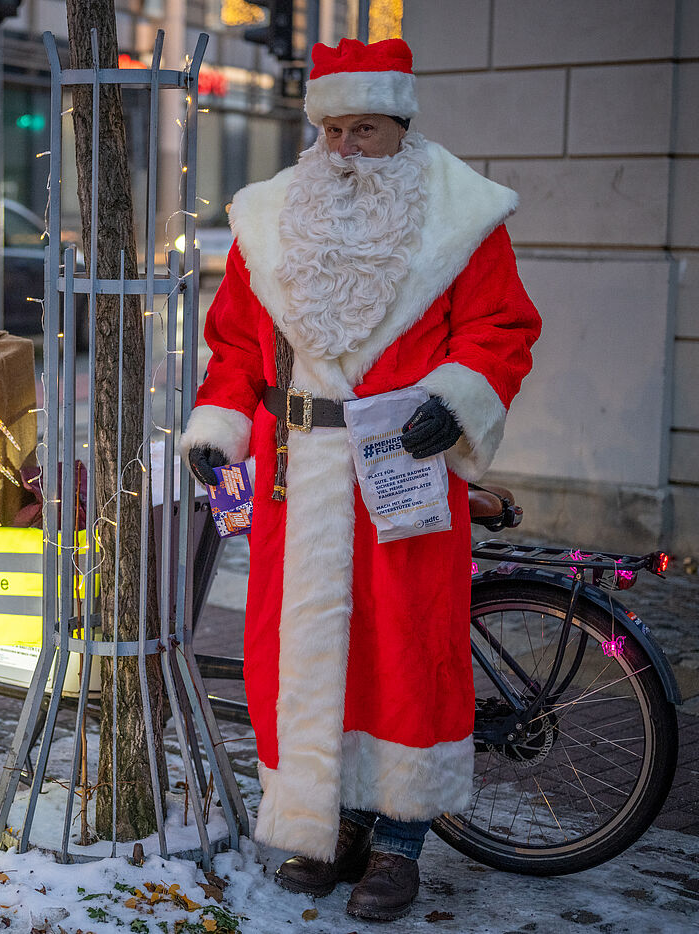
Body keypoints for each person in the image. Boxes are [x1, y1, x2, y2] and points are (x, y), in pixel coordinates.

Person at [179, 37, 541, 922]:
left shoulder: (462, 215)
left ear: (401, 128)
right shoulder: (268, 218)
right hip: (296, 480)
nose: (343, 149)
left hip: (402, 470)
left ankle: (398, 842)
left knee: (404, 654)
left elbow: (501, 329)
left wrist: (457, 400)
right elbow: (232, 344)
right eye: (332, 129)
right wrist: (221, 425)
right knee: (297, 657)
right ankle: (324, 824)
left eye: (364, 131)